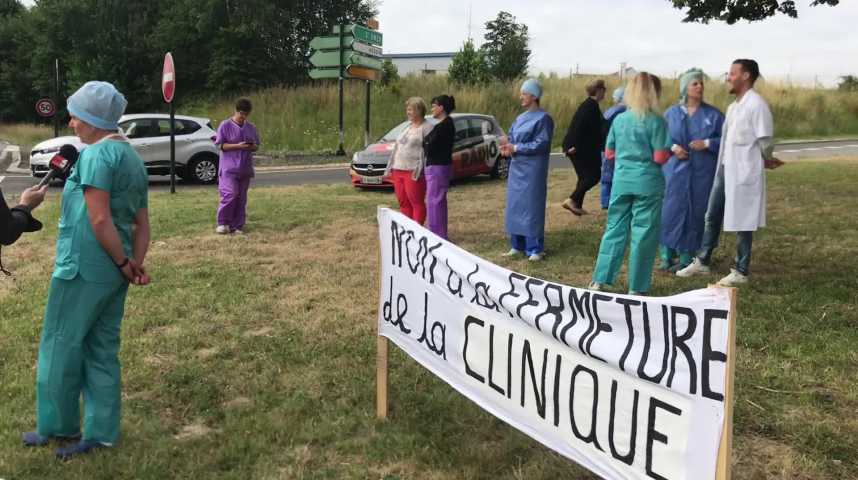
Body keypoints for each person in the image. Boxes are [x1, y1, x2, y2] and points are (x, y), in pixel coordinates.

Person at [22, 81, 150, 459]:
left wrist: (123, 262)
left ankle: (57, 426)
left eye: (76, 114)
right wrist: (133, 264)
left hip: (82, 268)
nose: (72, 122)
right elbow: (142, 223)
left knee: (60, 344)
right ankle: (102, 433)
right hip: (115, 272)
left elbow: (98, 220)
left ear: (93, 119)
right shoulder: (131, 158)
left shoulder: (94, 156)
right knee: (102, 349)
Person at [677, 59, 781, 286]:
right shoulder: (734, 107)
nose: (728, 78)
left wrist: (767, 158)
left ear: (745, 76)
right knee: (711, 215)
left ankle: (741, 270)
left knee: (744, 220)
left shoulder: (757, 104)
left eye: (732, 73)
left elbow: (765, 139)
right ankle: (702, 260)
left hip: (744, 170)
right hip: (725, 168)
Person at [590, 72, 671, 295]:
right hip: (647, 183)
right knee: (643, 234)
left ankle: (601, 279)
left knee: (614, 229)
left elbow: (609, 153)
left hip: (622, 182)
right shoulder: (657, 121)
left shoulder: (619, 119)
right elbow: (660, 158)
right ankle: (637, 287)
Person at [659, 68, 725, 272]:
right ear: (685, 88)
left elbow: (726, 140)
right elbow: (659, 137)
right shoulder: (671, 113)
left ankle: (688, 255)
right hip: (675, 171)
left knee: (697, 211)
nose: (700, 86)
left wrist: (706, 143)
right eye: (695, 83)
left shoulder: (713, 115)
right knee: (670, 210)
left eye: (701, 83)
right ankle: (667, 254)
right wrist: (673, 147)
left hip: (701, 172)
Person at [501, 78, 555, 261]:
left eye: (524, 93)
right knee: (515, 205)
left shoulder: (543, 118)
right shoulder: (519, 118)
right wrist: (507, 147)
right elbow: (511, 137)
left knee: (531, 206)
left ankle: (535, 248)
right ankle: (517, 244)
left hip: (533, 169)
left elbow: (542, 143)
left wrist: (516, 148)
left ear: (534, 96)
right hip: (517, 167)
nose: (521, 97)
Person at [385, 97, 433, 225]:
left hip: (413, 171)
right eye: (407, 109)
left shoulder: (427, 127)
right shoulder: (408, 126)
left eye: (410, 109)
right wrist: (391, 166)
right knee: (403, 202)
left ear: (418, 110)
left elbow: (430, 150)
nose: (408, 112)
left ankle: (417, 230)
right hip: (398, 169)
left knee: (416, 202)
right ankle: (406, 228)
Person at [562, 79, 606, 216]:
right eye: (604, 89)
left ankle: (577, 205)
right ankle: (572, 199)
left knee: (583, 177)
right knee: (593, 176)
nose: (605, 92)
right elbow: (580, 128)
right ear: (599, 90)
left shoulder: (589, 105)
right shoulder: (590, 107)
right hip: (578, 148)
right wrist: (574, 146)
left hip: (575, 147)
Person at [215, 98, 260, 235]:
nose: (243, 117)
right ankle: (223, 222)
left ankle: (238, 225)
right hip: (229, 168)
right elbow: (220, 145)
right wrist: (237, 146)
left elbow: (257, 146)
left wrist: (251, 146)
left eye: (246, 114)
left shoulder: (251, 127)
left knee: (241, 198)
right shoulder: (225, 125)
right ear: (236, 111)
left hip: (244, 168)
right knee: (230, 194)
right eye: (241, 113)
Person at [423, 94, 456, 239]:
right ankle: (437, 232)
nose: (432, 109)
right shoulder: (442, 125)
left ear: (441, 108)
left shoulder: (445, 126)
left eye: (434, 106)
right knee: (435, 200)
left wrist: (426, 143)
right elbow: (427, 142)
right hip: (436, 166)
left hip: (438, 166)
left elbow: (430, 145)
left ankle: (437, 234)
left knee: (435, 201)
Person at [600, 87, 627, 210]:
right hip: (617, 146)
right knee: (615, 174)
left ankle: (605, 200)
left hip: (606, 146)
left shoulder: (609, 111)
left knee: (606, 174)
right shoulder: (623, 112)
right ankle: (611, 200)